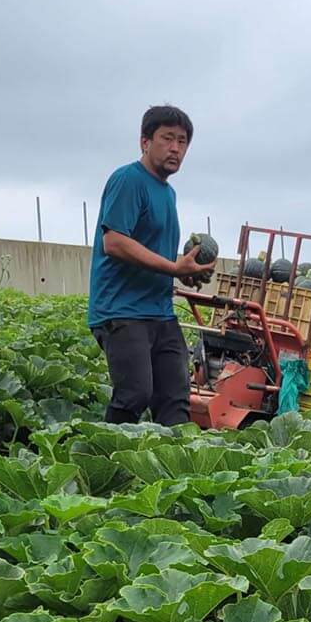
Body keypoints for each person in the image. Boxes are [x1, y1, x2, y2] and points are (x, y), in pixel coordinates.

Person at [87, 104, 213, 425]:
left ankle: (172, 458)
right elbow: (114, 242)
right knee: (135, 394)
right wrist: (174, 268)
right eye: (167, 138)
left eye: (182, 141)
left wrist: (185, 271)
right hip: (121, 310)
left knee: (176, 401)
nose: (175, 148)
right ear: (145, 142)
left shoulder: (168, 194)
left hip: (159, 312)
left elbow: (156, 255)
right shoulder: (129, 180)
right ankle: (100, 452)